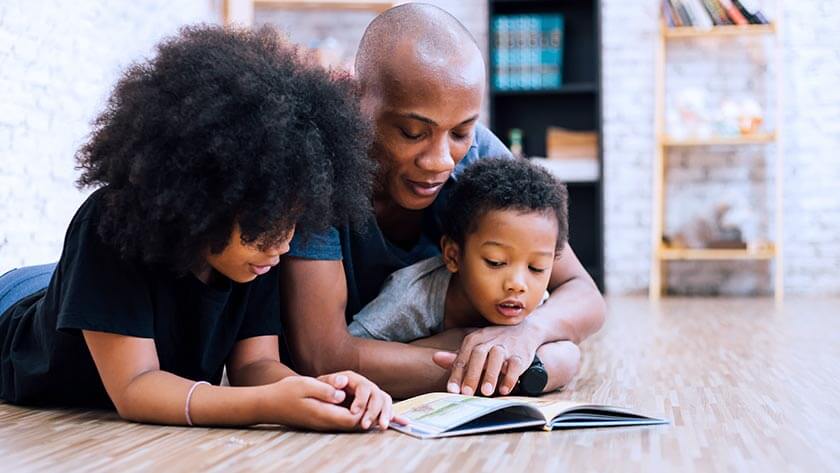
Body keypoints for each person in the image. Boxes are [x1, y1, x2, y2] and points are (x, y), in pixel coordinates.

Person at [0, 25, 404, 432]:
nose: (282, 244)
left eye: (293, 223)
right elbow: (135, 387)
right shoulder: (108, 223)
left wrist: (326, 393)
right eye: (265, 223)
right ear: (204, 195)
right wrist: (267, 405)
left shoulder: (258, 252)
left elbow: (255, 364)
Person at [279, 3, 606, 399]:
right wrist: (499, 365)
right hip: (362, 367)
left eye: (460, 131)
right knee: (561, 359)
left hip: (400, 365)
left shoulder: (479, 153)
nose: (440, 160)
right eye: (413, 132)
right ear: (356, 100)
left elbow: (582, 291)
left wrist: (526, 333)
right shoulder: (318, 169)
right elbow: (322, 356)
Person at [347, 159, 582, 393]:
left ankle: (508, 380)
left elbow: (569, 355)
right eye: (496, 262)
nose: (518, 285)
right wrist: (454, 341)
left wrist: (523, 343)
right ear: (453, 256)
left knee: (568, 355)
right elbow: (351, 350)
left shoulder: (534, 303)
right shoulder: (411, 296)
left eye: (537, 268)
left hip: (494, 385)